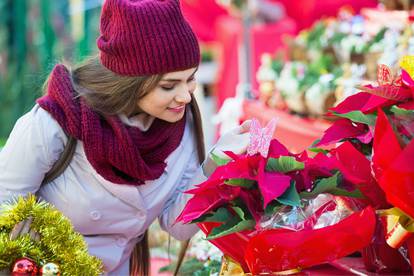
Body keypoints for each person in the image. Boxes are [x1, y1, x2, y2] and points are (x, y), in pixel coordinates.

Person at [0, 0, 250, 275]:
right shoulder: (56, 121)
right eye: (169, 85)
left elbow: (178, 225)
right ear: (129, 81)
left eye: (190, 79)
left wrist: (216, 163)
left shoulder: (181, 124)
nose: (185, 96)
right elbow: (4, 209)